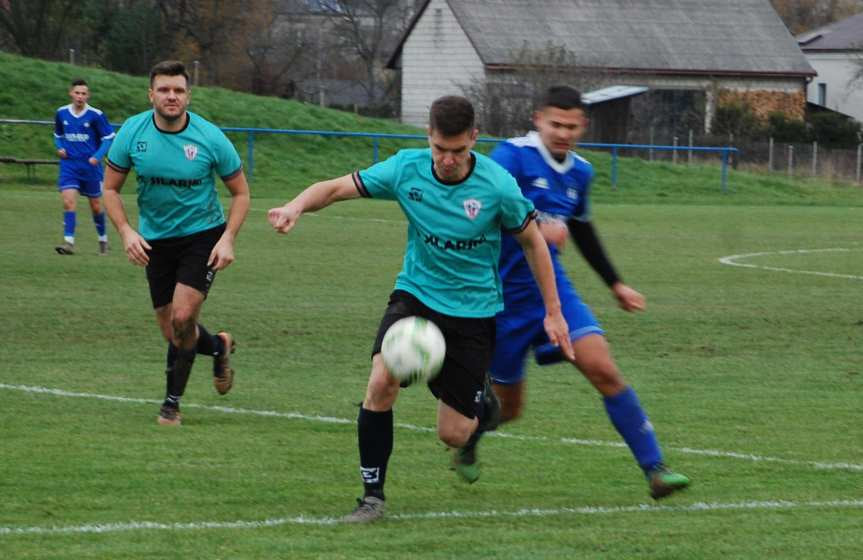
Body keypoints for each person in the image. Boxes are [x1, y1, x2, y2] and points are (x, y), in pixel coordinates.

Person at [268, 95, 574, 523]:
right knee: (381, 381)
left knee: (453, 434)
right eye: (439, 150)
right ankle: (372, 496)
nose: (448, 160)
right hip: (416, 294)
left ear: (473, 138)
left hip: (473, 312)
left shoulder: (497, 185)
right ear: (428, 137)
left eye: (458, 151)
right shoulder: (405, 168)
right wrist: (296, 205)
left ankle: (482, 409)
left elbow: (532, 242)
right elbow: (337, 188)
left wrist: (554, 312)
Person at [454, 86, 690, 500]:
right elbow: (480, 207)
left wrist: (615, 282)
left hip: (553, 294)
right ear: (537, 119)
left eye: (571, 126)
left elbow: (581, 228)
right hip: (501, 302)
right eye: (555, 124)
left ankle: (656, 469)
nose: (563, 132)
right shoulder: (511, 157)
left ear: (583, 126)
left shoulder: (580, 172)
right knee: (509, 409)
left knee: (604, 369)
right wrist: (531, 227)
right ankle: (471, 441)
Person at [102, 60, 251, 426]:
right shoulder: (131, 134)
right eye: (165, 90)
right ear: (151, 93)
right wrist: (126, 231)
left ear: (188, 95)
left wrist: (228, 238)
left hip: (202, 236)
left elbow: (242, 193)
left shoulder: (210, 138)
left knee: (184, 317)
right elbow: (109, 188)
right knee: (172, 330)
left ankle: (171, 405)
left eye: (179, 90)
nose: (172, 96)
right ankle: (218, 346)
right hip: (155, 240)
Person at [53, 79, 115, 255]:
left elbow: (109, 137)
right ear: (70, 93)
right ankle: (68, 243)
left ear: (88, 95)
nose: (80, 96)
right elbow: (57, 134)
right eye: (77, 93)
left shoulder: (96, 115)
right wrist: (60, 147)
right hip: (69, 166)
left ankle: (103, 240)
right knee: (68, 202)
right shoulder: (61, 113)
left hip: (90, 168)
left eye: (83, 93)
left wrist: (97, 156)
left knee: (96, 205)